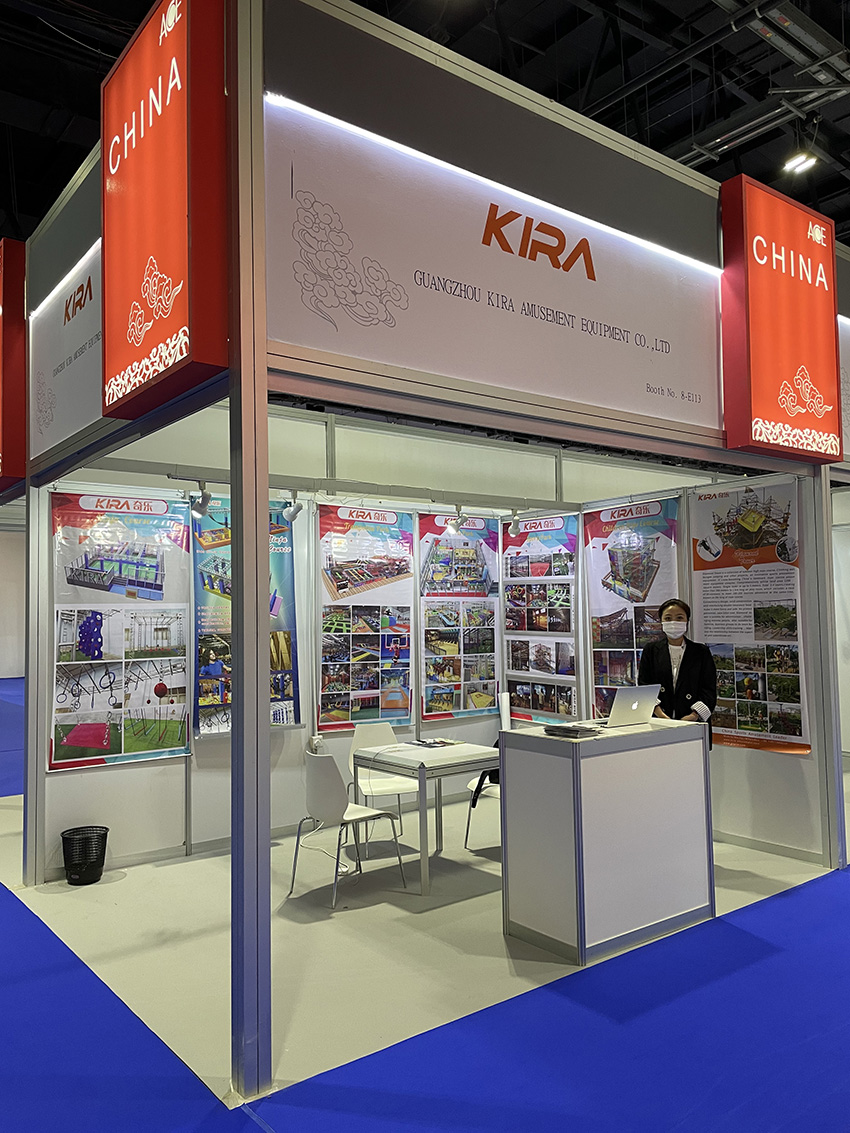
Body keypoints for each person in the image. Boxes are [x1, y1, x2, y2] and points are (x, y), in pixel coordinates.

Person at [637, 599, 716, 743]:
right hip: (658, 722)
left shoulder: (701, 652)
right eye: (668, 618)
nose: (673, 622)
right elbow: (644, 685)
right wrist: (660, 715)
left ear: (687, 621)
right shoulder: (651, 650)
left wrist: (693, 716)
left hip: (693, 724)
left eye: (679, 618)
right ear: (661, 622)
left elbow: (709, 689)